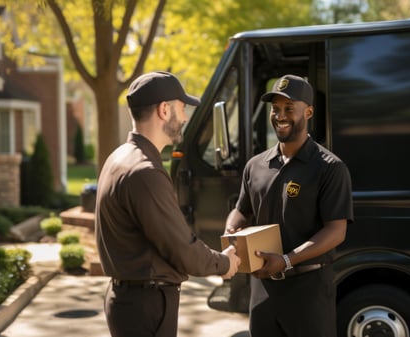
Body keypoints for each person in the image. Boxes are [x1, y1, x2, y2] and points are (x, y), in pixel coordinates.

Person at [95, 71, 240, 337]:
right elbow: (180, 246)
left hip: (131, 300)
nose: (185, 117)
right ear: (164, 110)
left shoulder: (120, 157)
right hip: (146, 305)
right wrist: (223, 263)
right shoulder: (145, 171)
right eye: (182, 108)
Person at [225, 74, 353, 337]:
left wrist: (285, 260)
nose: (279, 115)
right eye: (275, 109)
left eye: (288, 109)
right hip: (262, 291)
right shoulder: (256, 165)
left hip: (309, 292)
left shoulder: (330, 168)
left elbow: (336, 231)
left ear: (308, 111)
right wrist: (231, 231)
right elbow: (242, 210)